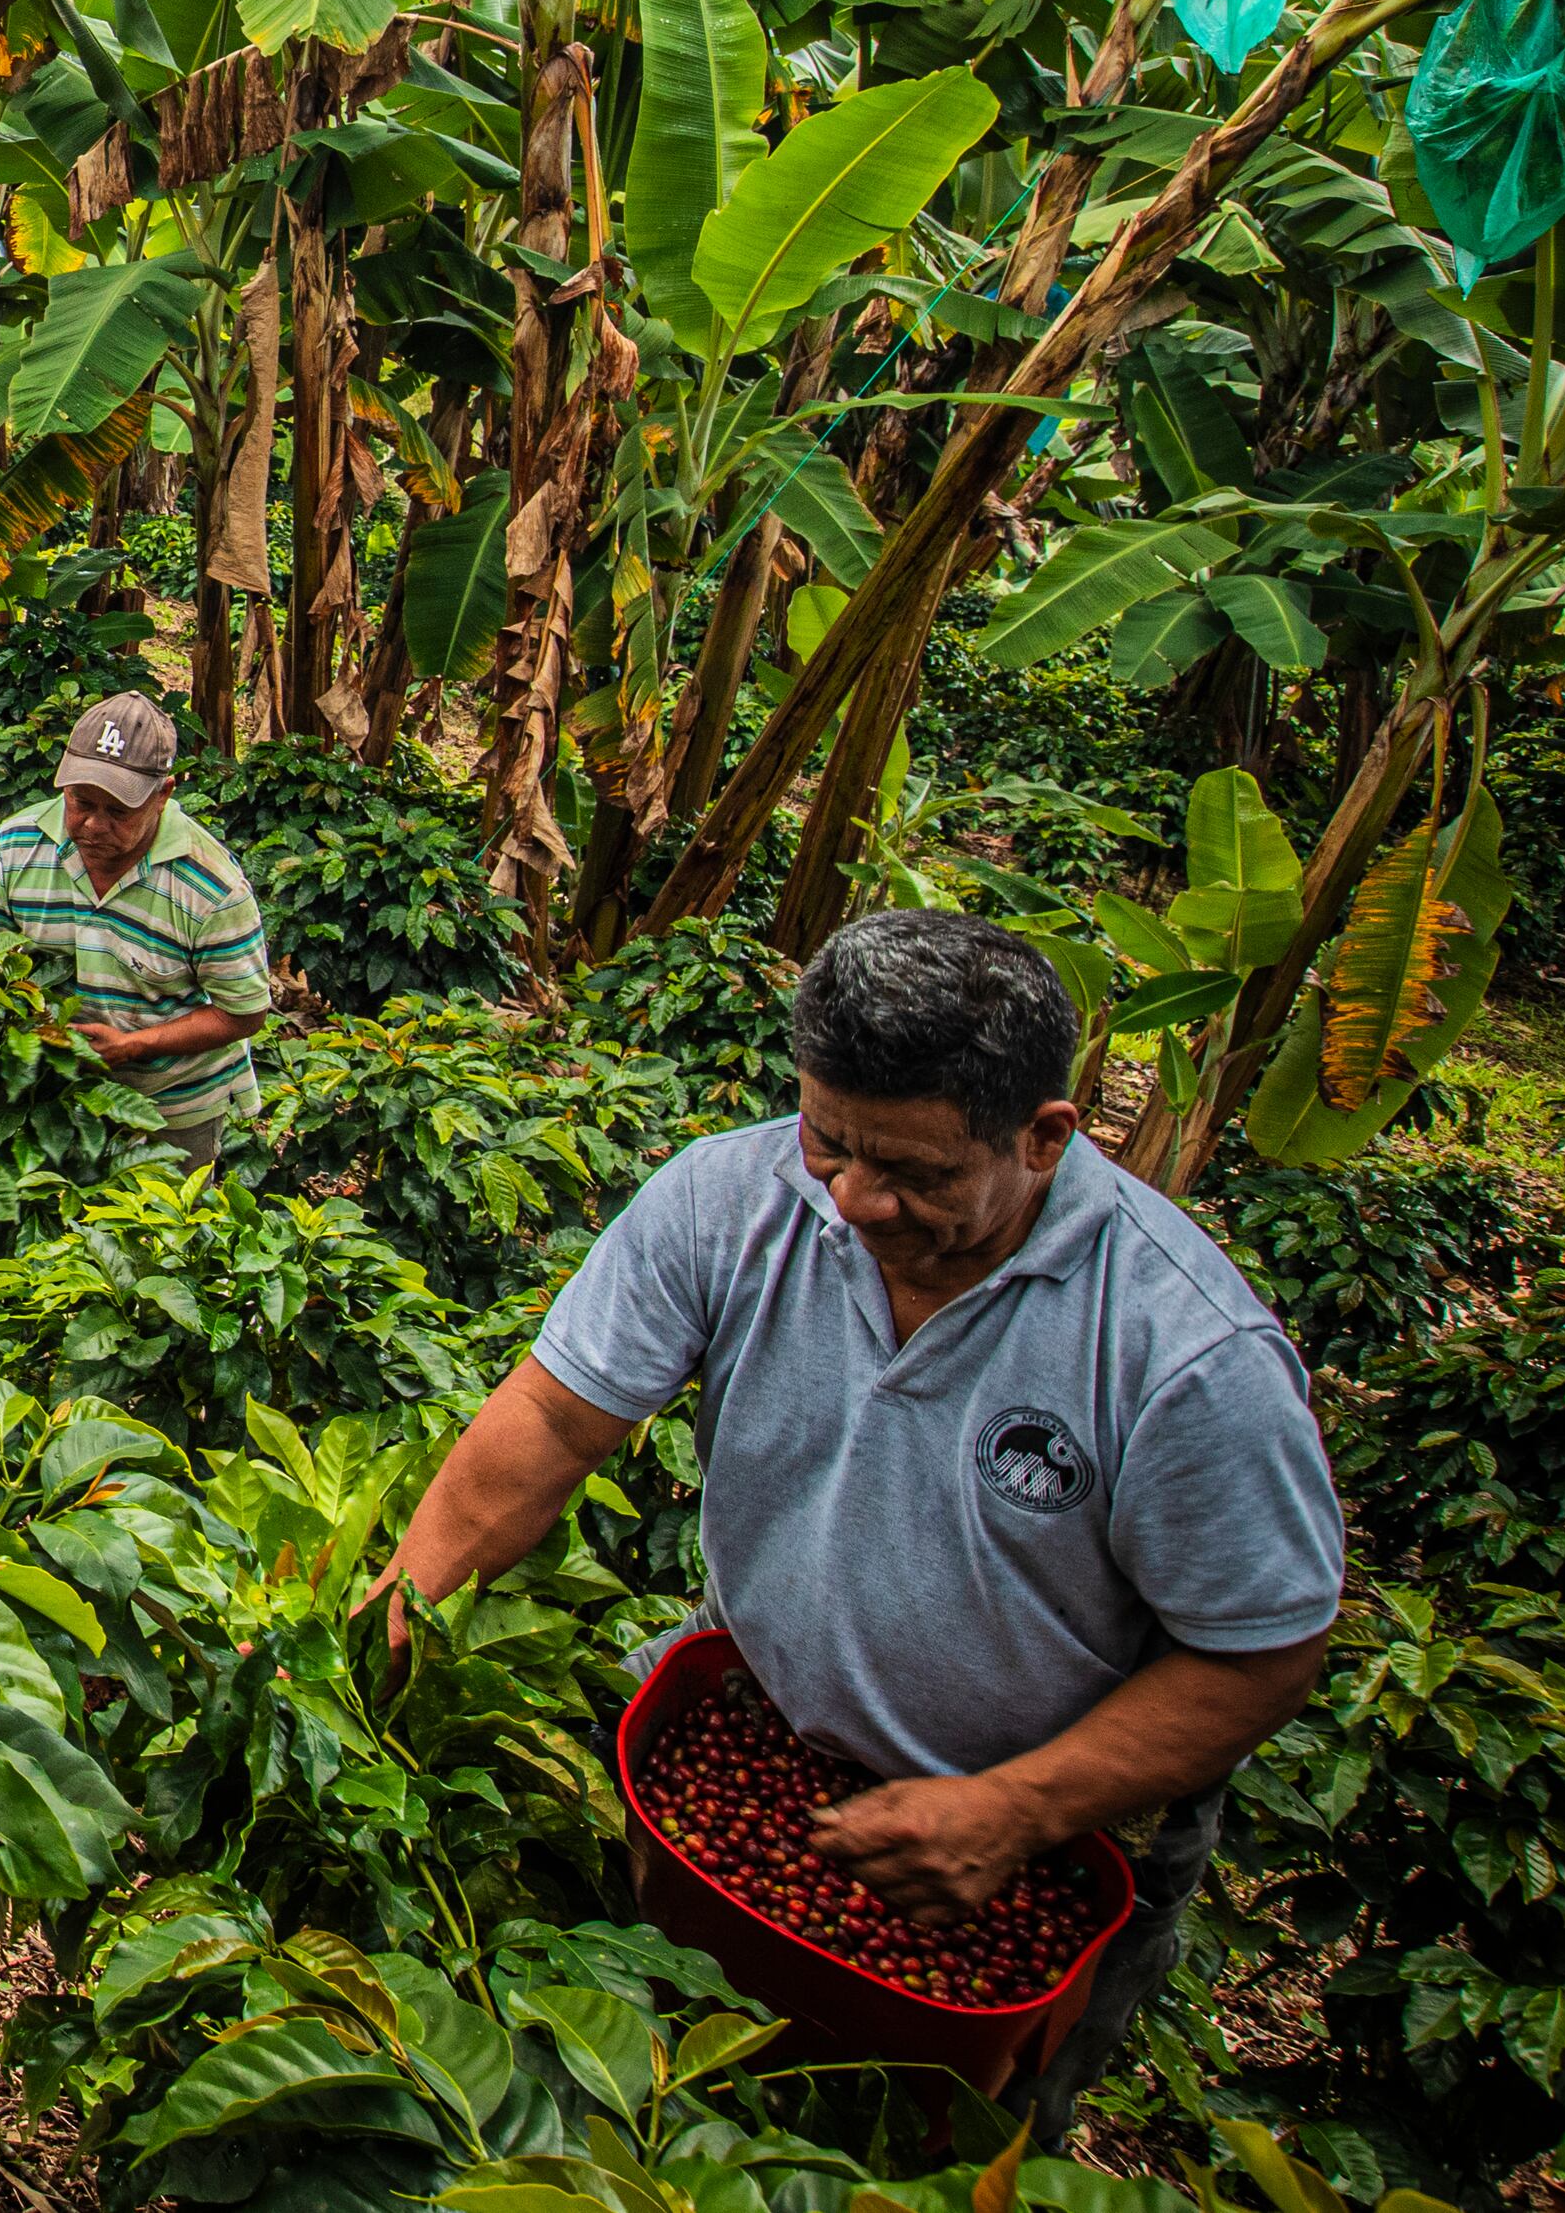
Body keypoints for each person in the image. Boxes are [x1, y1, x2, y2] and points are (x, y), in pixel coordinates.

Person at [385, 907, 1343, 2143]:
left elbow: (1260, 1650)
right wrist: (402, 1603)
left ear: (1046, 1136)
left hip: (1030, 1831)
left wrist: (1014, 1809)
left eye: (915, 1173)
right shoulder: (728, 1200)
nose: (855, 1202)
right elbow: (551, 1425)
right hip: (758, 1720)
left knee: (931, 2137)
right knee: (663, 2074)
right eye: (828, 1145)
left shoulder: (1181, 1350)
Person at [0, 690, 274, 1162]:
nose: (93, 826)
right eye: (80, 802)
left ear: (163, 795)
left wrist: (136, 1045)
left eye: (118, 811)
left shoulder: (211, 888)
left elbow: (243, 1013)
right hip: (43, 1088)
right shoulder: (16, 846)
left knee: (156, 1230)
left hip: (170, 1105)